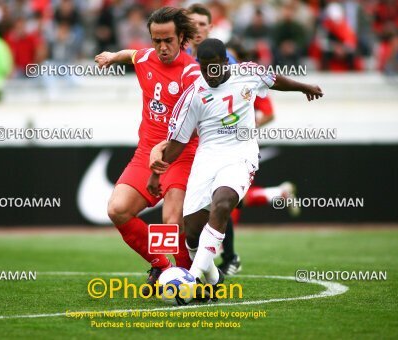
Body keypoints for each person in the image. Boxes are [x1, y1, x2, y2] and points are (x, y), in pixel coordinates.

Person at [147, 38, 323, 296]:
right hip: (207, 159)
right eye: (204, 68)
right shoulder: (194, 95)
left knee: (222, 203)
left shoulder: (247, 73)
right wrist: (156, 173)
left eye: (214, 67)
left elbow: (274, 79)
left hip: (241, 155)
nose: (209, 74)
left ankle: (191, 280)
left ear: (225, 62)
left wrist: (304, 86)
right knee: (192, 234)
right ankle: (213, 278)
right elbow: (177, 143)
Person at [184, 3, 298, 276]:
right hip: (203, 150)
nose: (197, 29)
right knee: (205, 212)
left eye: (202, 24)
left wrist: (242, 127)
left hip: (236, 150)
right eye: (192, 25)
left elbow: (263, 106)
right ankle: (277, 194)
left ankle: (224, 259)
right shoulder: (188, 64)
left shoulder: (239, 71)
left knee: (223, 203)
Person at [94, 7, 200, 293]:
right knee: (117, 210)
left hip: (180, 154)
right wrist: (111, 56)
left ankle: (187, 280)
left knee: (172, 220)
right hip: (146, 154)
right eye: (157, 41)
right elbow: (131, 54)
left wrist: (162, 152)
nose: (162, 47)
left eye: (169, 40)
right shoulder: (146, 57)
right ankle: (163, 267)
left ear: (181, 38)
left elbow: (190, 128)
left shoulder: (192, 74)